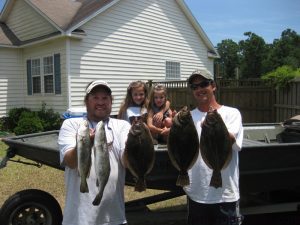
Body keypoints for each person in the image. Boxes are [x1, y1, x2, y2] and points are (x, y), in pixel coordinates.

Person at [58, 80, 131, 225]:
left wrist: (136, 143)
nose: (101, 102)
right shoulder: (72, 125)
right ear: (86, 101)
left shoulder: (122, 126)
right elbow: (71, 162)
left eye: (105, 98)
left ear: (111, 101)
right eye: (95, 97)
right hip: (79, 219)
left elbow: (127, 162)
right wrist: (85, 142)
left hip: (114, 218)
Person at [184, 69, 244, 225]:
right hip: (196, 194)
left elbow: (232, 140)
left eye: (203, 84)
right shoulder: (188, 117)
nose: (199, 89)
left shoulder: (232, 113)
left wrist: (214, 126)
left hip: (225, 195)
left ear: (213, 86)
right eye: (194, 86)